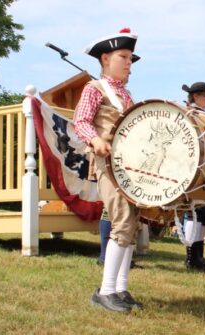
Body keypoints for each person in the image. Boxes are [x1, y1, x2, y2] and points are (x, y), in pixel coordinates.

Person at [74, 27, 142, 313]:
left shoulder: (125, 93)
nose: (129, 62)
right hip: (108, 164)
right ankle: (105, 291)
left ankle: (121, 288)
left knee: (132, 223)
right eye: (123, 56)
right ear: (105, 58)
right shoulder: (95, 88)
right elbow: (81, 121)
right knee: (122, 220)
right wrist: (96, 139)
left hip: (129, 166)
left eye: (130, 58)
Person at [181, 81, 205, 271]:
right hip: (192, 169)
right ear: (196, 96)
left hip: (201, 169)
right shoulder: (190, 115)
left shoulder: (200, 115)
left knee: (200, 214)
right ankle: (192, 257)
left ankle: (196, 256)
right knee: (194, 213)